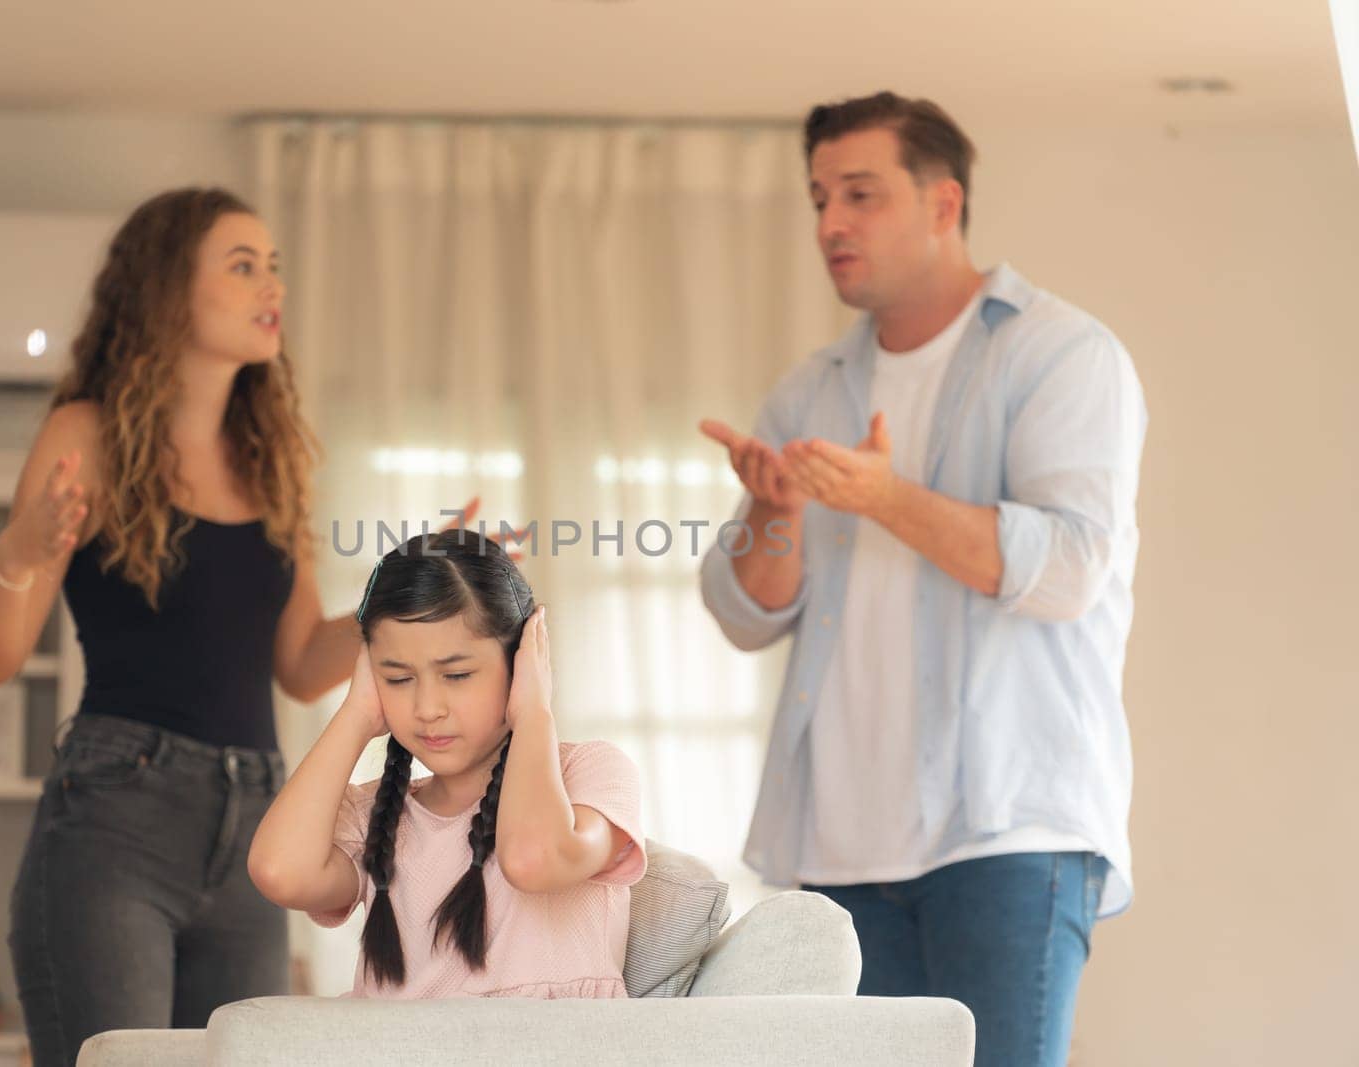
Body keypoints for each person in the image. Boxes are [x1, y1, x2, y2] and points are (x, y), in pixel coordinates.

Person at [698, 92, 1147, 1066]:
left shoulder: (1062, 355)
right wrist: (775, 511)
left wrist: (885, 496)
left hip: (1008, 832)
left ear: (943, 204)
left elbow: (1068, 567)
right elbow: (744, 612)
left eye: (859, 194)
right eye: (818, 197)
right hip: (836, 847)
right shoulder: (810, 388)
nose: (829, 223)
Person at [0, 187, 361, 1066]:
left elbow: (297, 662)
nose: (272, 287)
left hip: (259, 826)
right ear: (169, 289)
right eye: (243, 265)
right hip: (117, 823)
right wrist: (21, 550)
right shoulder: (87, 435)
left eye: (277, 268)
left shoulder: (273, 463)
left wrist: (403, 598)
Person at [248, 530, 645, 999]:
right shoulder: (376, 813)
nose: (427, 707)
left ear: (522, 661)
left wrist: (534, 711)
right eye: (397, 677)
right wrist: (355, 716)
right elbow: (280, 872)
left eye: (456, 675)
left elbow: (533, 859)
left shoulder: (591, 773)